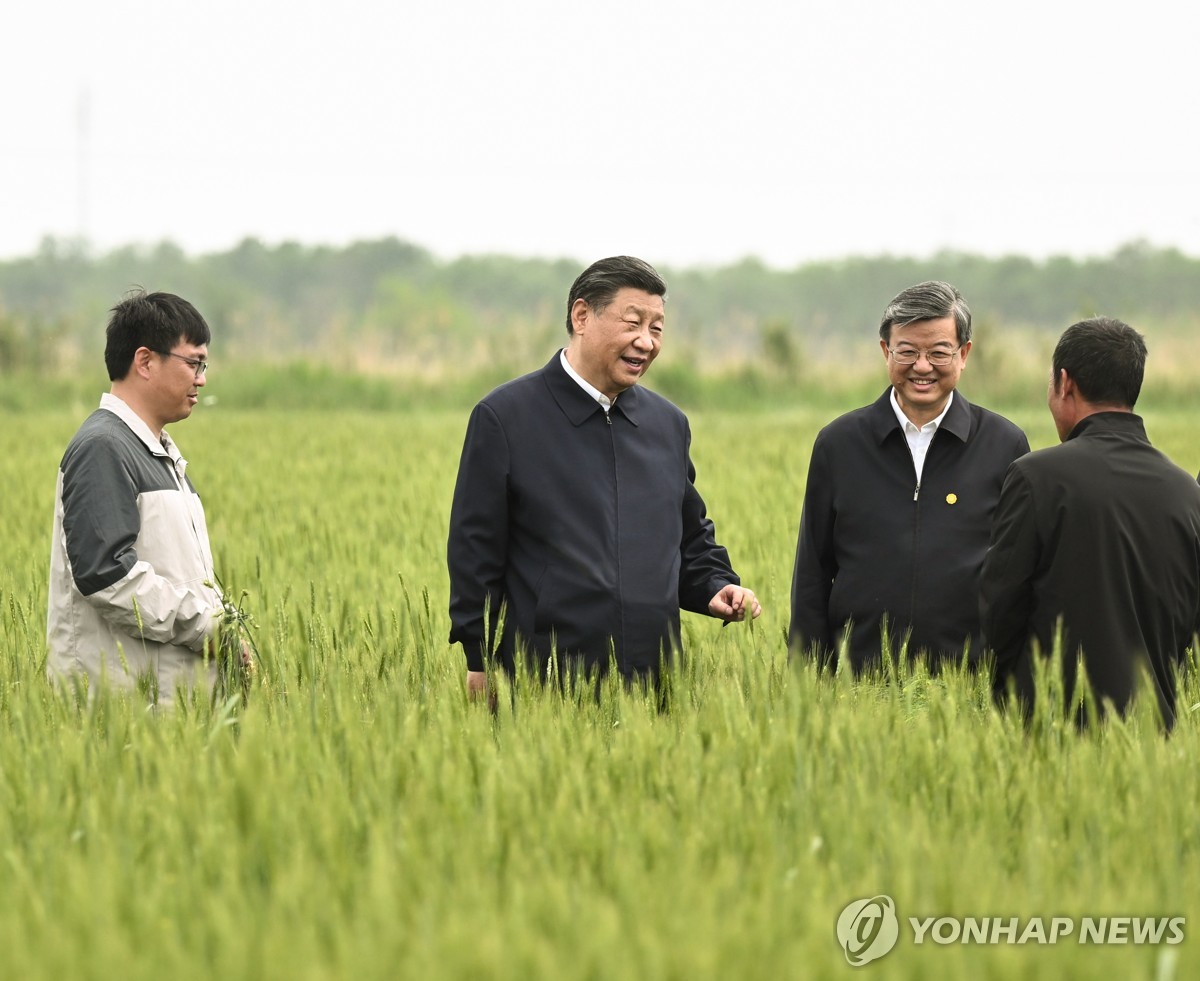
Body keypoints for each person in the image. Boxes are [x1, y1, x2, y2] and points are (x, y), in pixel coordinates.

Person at [447, 255, 760, 695]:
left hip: (654, 684)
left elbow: (688, 537)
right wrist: (479, 659)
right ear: (581, 316)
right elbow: (475, 550)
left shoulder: (667, 425)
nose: (646, 342)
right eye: (633, 323)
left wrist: (715, 585)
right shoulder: (506, 417)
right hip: (543, 683)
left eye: (657, 328)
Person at [789, 281, 1029, 671]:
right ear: (886, 351)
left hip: (967, 683)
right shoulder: (839, 444)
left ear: (964, 354)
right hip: (860, 683)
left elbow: (1018, 578)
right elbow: (812, 575)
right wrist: (807, 683)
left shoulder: (1004, 445)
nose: (922, 367)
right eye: (907, 351)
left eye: (938, 352)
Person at [981, 317, 1200, 728]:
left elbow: (1001, 610)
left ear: (1065, 383)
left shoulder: (1035, 478)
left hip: (1050, 728)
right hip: (1155, 735)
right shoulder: (1186, 492)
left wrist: (1010, 697)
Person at [47, 290, 241, 705]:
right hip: (125, 712)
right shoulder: (104, 447)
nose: (202, 378)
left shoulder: (156, 451)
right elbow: (106, 575)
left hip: (167, 707)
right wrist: (207, 628)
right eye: (194, 362)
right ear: (146, 361)